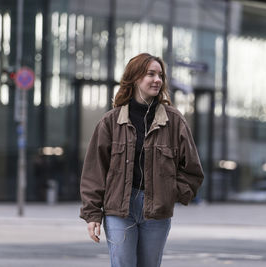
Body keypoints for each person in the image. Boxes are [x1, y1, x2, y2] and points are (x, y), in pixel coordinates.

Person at [79, 53, 204, 267]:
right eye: (151, 74)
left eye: (160, 75)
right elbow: (94, 172)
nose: (157, 79)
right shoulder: (110, 122)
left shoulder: (174, 122)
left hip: (156, 212)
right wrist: (92, 215)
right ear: (135, 78)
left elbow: (192, 170)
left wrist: (171, 194)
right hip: (119, 209)